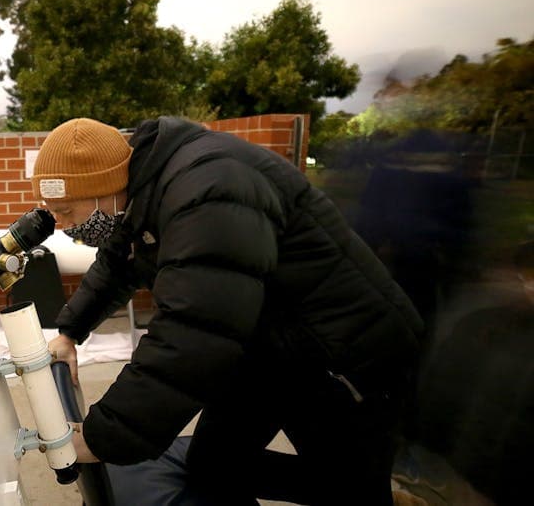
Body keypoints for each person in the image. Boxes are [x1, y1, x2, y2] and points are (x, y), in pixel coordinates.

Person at [32, 117, 424, 505]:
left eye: (66, 210)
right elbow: (118, 262)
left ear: (104, 188)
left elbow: (191, 332)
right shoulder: (141, 192)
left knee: (352, 487)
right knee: (215, 463)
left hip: (343, 354)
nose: (62, 224)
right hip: (270, 347)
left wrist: (103, 437)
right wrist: (70, 331)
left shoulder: (209, 190)